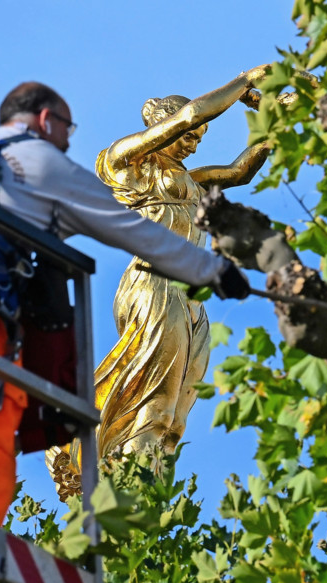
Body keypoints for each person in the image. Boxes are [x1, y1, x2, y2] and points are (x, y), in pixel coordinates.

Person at [0, 81, 250, 526]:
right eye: (67, 127)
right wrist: (210, 270)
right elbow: (133, 231)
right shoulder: (48, 166)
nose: (70, 139)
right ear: (45, 120)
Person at [45, 67, 271, 498]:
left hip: (191, 293)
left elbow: (240, 171)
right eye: (190, 135)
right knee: (152, 393)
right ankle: (126, 483)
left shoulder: (190, 179)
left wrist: (279, 124)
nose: (194, 141)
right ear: (161, 126)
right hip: (153, 281)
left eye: (199, 139)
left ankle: (152, 484)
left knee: (176, 406)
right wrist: (244, 82)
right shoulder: (125, 162)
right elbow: (188, 116)